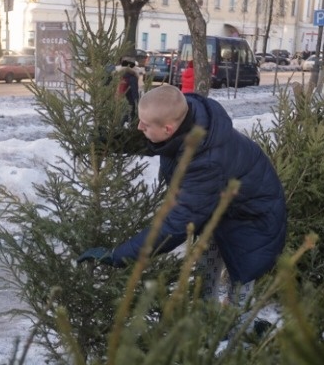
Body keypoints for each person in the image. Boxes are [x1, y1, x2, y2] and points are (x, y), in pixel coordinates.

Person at [77, 85, 286, 322]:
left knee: (240, 282)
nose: (138, 127)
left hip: (253, 221)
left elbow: (173, 226)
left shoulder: (206, 164)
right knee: (206, 274)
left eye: (144, 124)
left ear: (168, 128)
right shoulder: (184, 117)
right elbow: (158, 141)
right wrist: (114, 142)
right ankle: (206, 320)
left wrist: (118, 256)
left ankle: (241, 334)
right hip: (220, 209)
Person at [115, 57, 140, 122]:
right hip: (130, 102)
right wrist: (137, 103)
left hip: (118, 101)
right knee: (130, 118)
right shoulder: (132, 77)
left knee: (120, 119)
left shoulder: (119, 75)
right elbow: (134, 92)